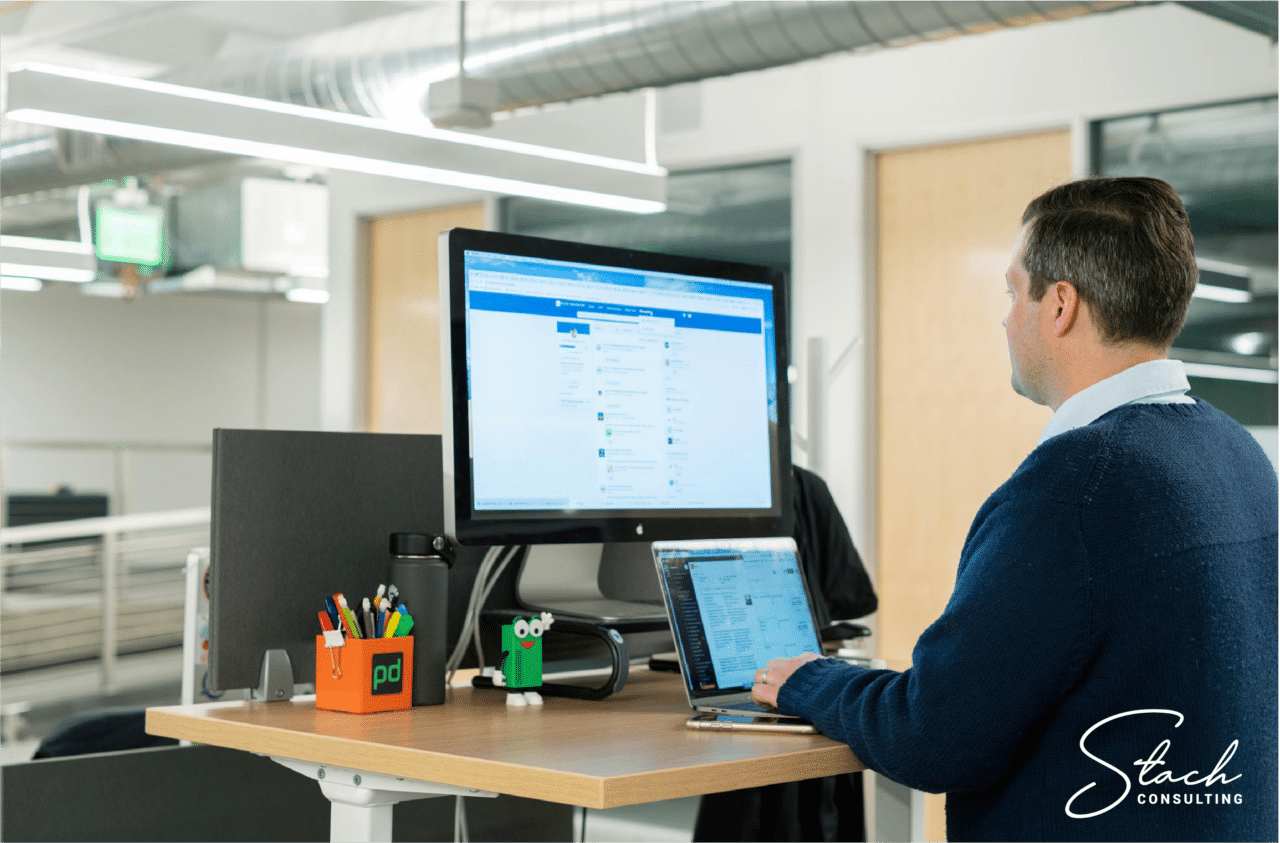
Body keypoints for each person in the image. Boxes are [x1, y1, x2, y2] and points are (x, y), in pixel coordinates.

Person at [751, 177, 1278, 842]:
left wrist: (809, 679)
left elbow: (934, 735)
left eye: (1012, 289)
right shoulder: (1238, 452)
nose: (1005, 317)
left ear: (1059, 305)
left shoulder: (1077, 483)